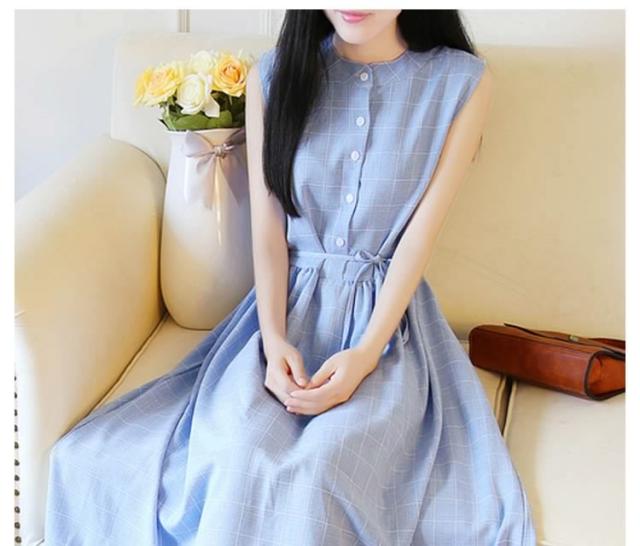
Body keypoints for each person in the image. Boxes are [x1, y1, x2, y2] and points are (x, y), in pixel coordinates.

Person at [44, 9, 537, 545]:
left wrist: (365, 356)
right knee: (236, 456)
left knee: (319, 476)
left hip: (386, 333)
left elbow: (417, 242)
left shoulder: (461, 82)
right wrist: (274, 339)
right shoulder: (274, 76)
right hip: (281, 315)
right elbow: (269, 232)